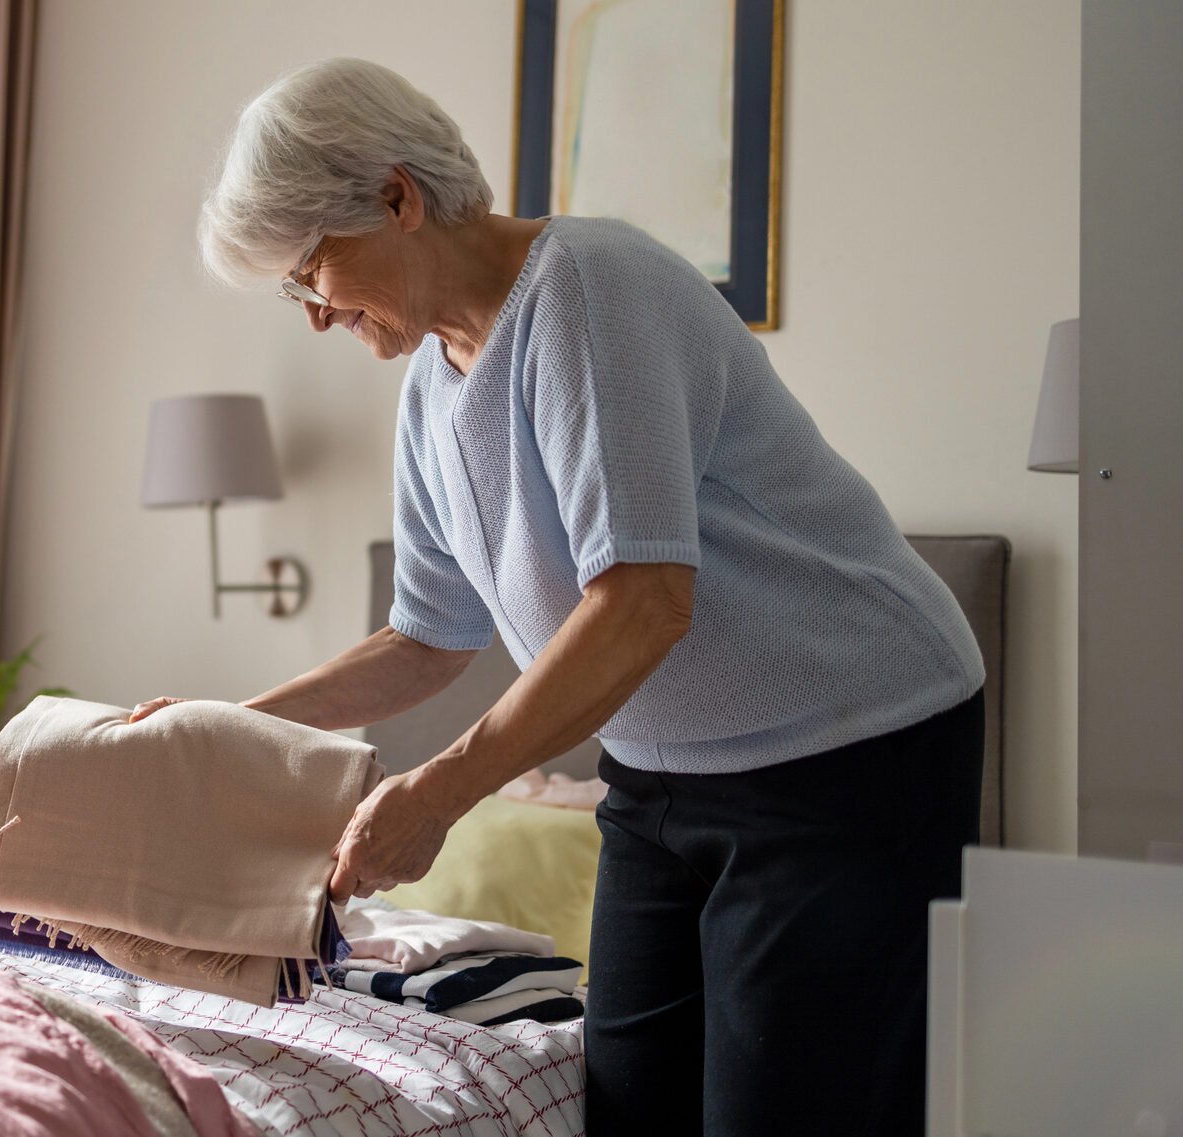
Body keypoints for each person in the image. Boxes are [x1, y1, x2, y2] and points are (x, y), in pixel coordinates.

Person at [129, 58, 985, 1135]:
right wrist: (227, 726)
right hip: (658, 775)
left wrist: (439, 792)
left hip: (847, 753)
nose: (311, 315)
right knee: (626, 1104)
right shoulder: (431, 385)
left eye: (310, 272)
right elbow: (423, 640)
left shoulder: (586, 289)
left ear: (396, 199)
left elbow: (640, 604)